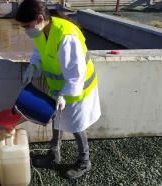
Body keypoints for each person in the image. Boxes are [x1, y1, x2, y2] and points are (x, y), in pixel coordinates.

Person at [15, 0, 101, 179]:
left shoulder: (66, 36)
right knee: (57, 122)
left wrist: (63, 94)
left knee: (77, 127)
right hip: (58, 90)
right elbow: (39, 53)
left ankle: (85, 161)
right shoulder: (41, 31)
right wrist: (33, 66)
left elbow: (76, 75)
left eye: (26, 26)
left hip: (78, 91)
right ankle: (54, 154)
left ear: (39, 19)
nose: (25, 30)